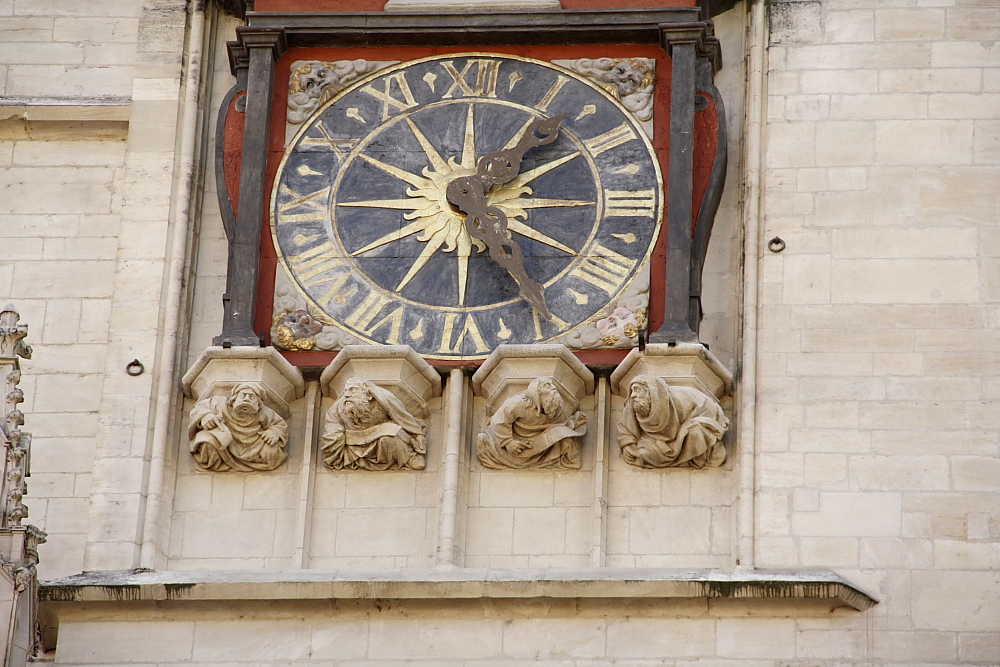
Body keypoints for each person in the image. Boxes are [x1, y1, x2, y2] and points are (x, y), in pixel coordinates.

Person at [618, 375, 728, 469]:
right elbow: (626, 428)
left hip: (689, 430)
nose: (633, 395)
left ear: (651, 391)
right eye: (632, 391)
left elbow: (709, 409)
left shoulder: (681, 398)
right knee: (642, 454)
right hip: (655, 442)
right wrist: (628, 445)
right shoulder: (633, 406)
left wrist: (684, 434)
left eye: (637, 390)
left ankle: (695, 456)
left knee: (696, 432)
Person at [477, 376, 587, 470]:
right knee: (484, 442)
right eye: (547, 386)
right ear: (537, 393)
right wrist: (508, 442)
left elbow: (562, 423)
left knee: (566, 440)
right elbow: (498, 421)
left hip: (539, 441)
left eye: (552, 385)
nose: (554, 388)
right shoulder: (517, 404)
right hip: (514, 439)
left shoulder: (556, 405)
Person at [322, 378, 427, 470]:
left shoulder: (384, 399)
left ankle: (408, 457)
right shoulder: (340, 407)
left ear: (368, 395)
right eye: (346, 391)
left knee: (391, 435)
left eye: (353, 390)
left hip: (380, 436)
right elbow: (332, 423)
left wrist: (418, 434)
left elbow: (403, 417)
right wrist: (335, 435)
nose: (347, 394)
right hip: (353, 441)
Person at [188, 383, 288, 472]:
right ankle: (215, 462)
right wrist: (206, 415)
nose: (246, 399)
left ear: (258, 404)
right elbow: (198, 408)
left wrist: (274, 432)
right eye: (243, 395)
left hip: (254, 444)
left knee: (272, 451)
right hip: (223, 442)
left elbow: (280, 424)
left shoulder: (265, 414)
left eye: (251, 396)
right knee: (207, 442)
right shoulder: (219, 403)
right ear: (234, 399)